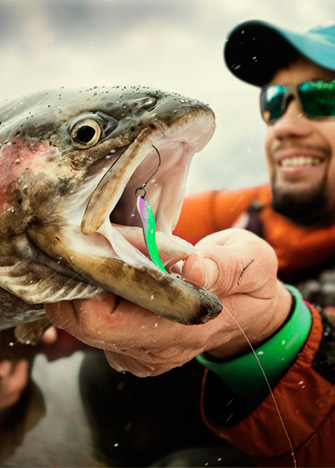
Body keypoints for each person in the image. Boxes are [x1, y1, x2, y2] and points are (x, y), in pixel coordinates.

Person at [44, 20, 335, 467]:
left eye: (321, 98)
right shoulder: (253, 205)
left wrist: (274, 329)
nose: (285, 127)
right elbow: (92, 233)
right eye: (274, 102)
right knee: (107, 374)